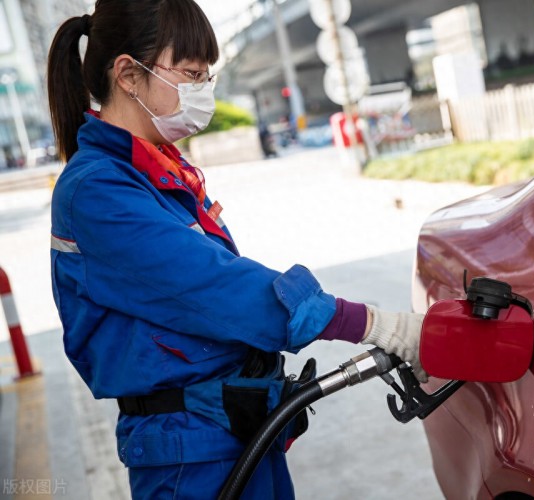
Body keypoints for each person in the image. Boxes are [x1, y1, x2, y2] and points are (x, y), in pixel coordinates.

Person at [46, 1, 426, 498]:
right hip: (187, 451)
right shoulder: (97, 192)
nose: (203, 91)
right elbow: (215, 286)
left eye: (206, 77)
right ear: (128, 75)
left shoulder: (157, 172)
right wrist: (375, 325)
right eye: (191, 74)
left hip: (232, 428)